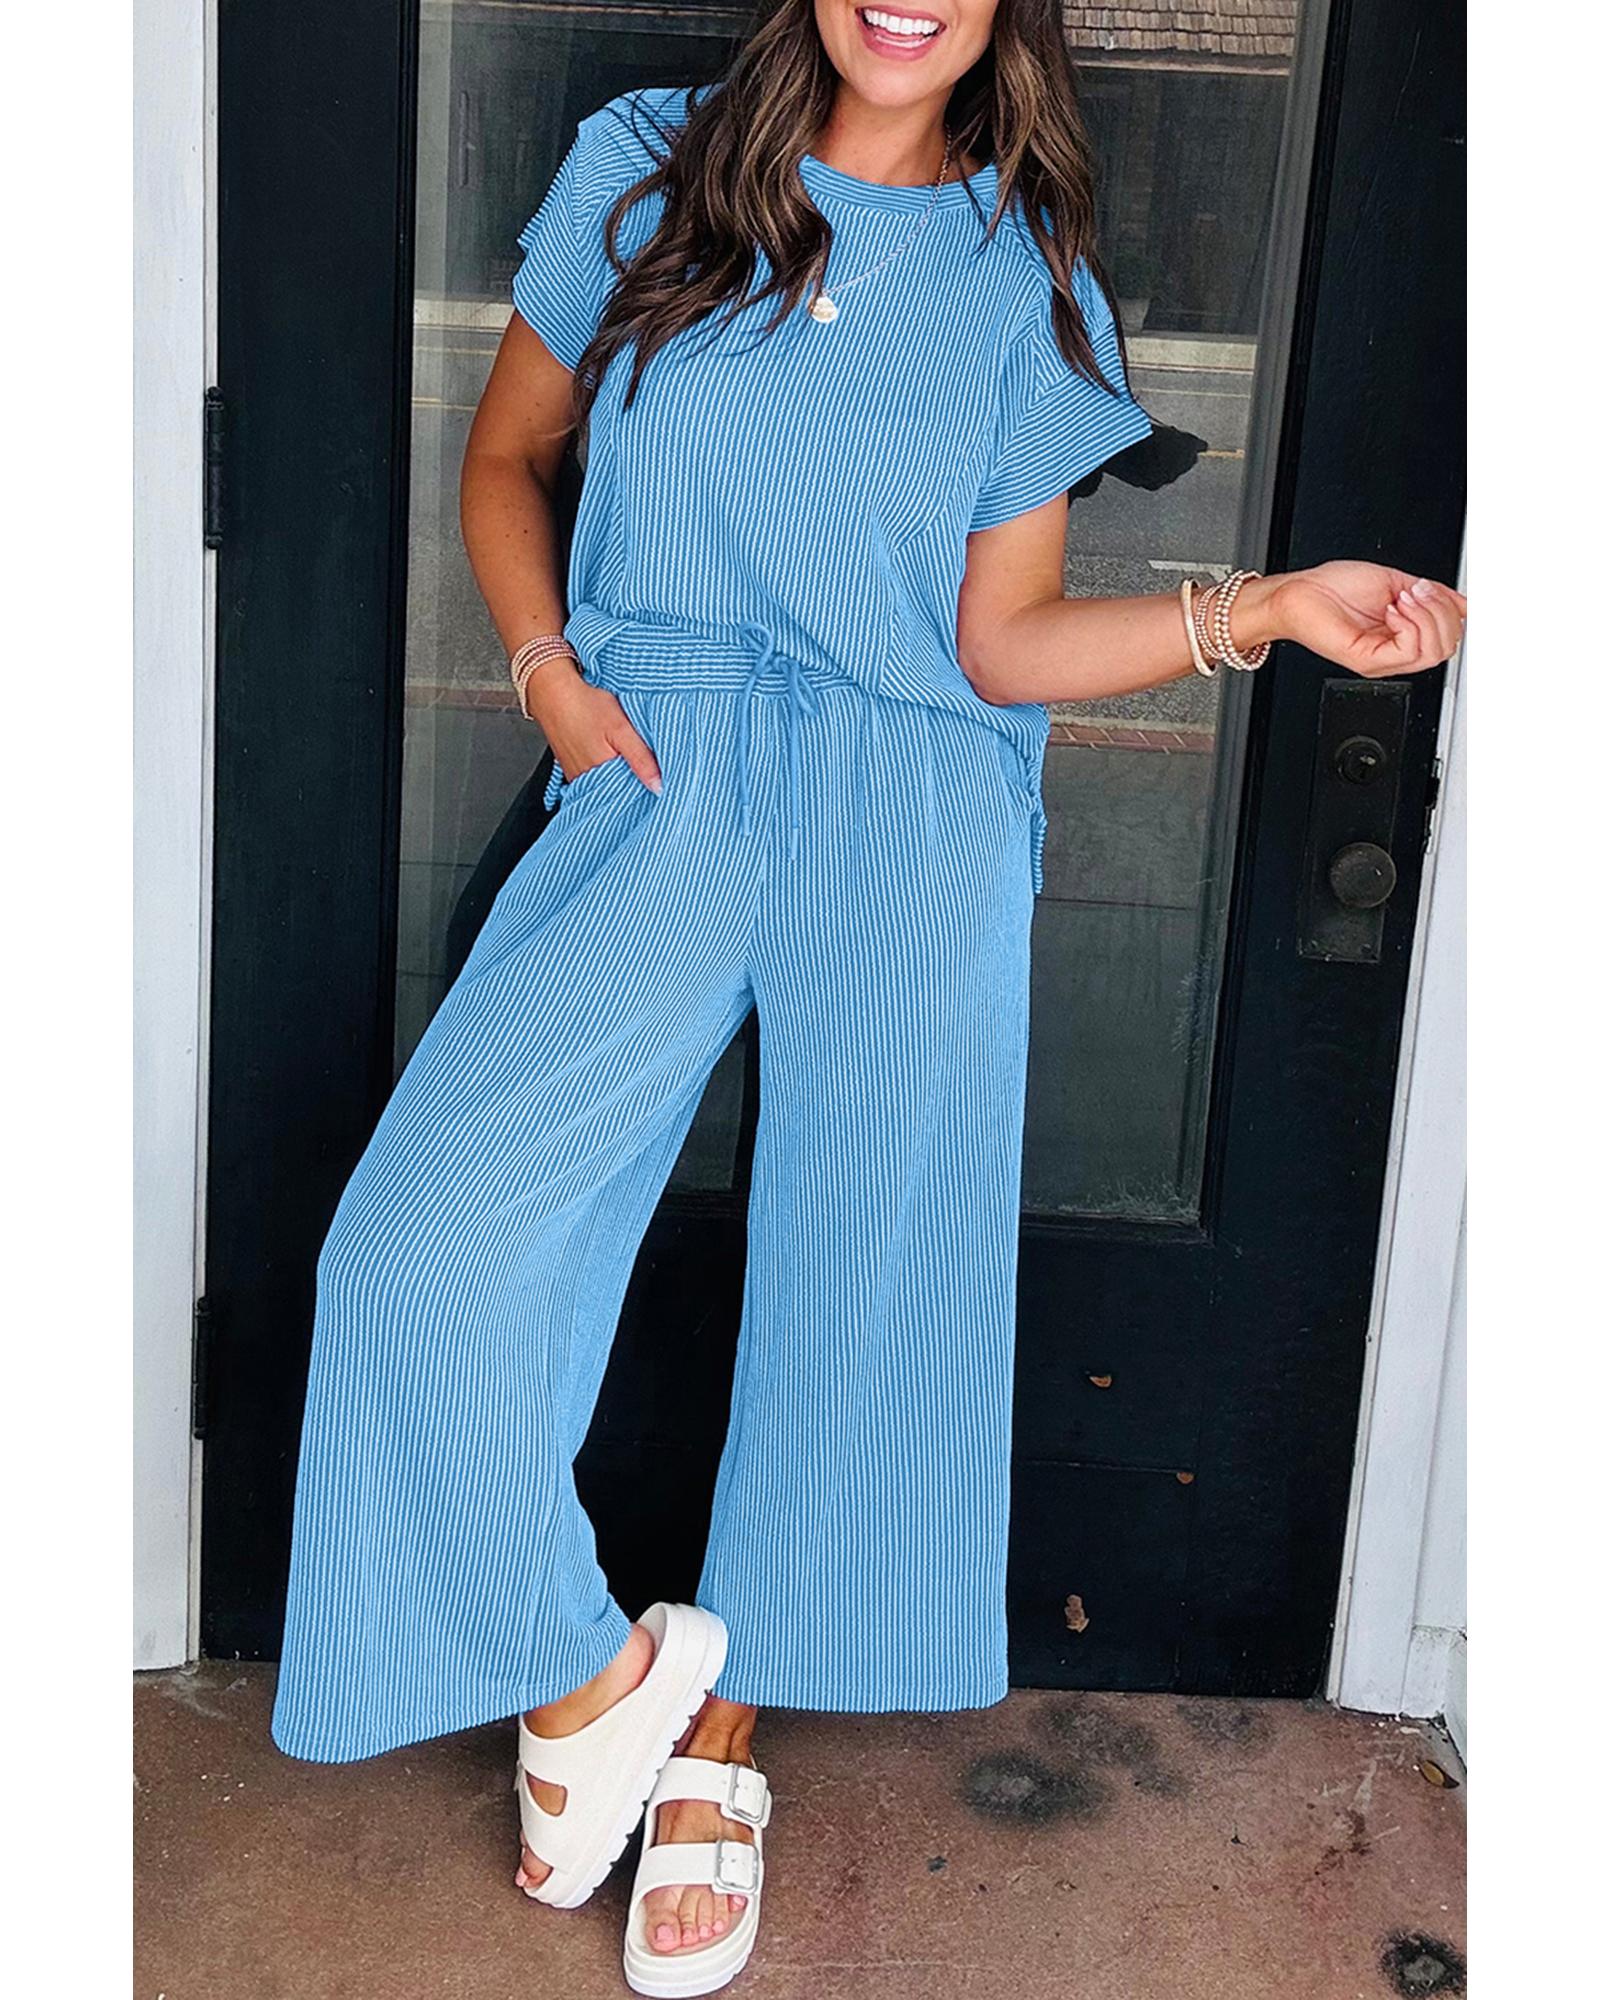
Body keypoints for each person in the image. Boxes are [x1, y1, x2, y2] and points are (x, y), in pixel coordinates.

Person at [268, 4, 1465, 1993]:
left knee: (872, 1280)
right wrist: (550, 677)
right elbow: (507, 456)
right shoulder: (648, 165)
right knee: (418, 1245)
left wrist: (1255, 610)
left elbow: (999, 643)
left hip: (911, 801)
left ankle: (719, 1752)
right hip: (659, 764)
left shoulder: (1022, 271)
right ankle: (587, 1677)